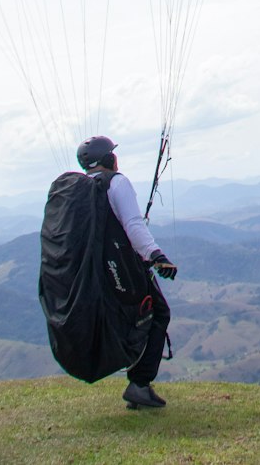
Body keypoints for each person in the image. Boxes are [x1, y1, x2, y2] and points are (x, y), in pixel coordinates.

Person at [77, 135, 177, 408]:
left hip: (101, 272)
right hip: (125, 267)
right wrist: (156, 256)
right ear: (111, 159)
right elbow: (133, 226)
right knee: (158, 313)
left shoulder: (85, 188)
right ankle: (139, 385)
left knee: (134, 316)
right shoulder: (116, 183)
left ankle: (137, 380)